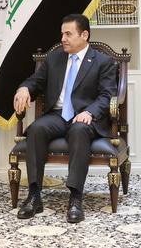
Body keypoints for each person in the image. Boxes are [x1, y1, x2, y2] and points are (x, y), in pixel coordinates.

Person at [13, 14, 118, 224]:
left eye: (68, 34)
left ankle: (75, 198)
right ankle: (34, 195)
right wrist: (24, 88)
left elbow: (107, 95)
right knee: (36, 129)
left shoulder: (102, 62)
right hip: (58, 115)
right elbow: (35, 81)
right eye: (62, 34)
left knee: (79, 130)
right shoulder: (54, 58)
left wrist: (89, 112)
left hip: (86, 116)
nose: (63, 39)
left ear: (84, 35)